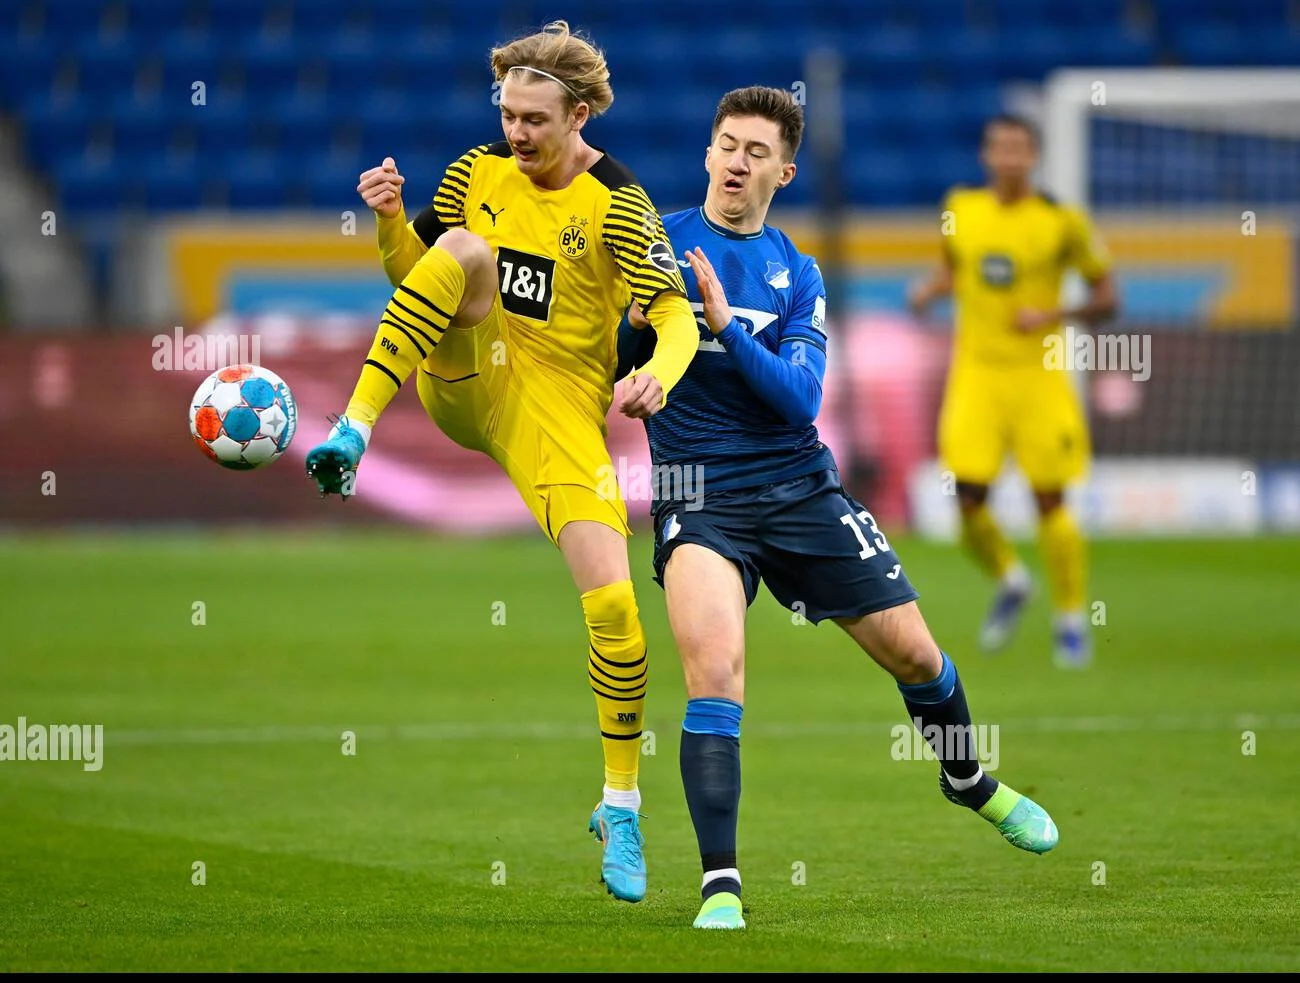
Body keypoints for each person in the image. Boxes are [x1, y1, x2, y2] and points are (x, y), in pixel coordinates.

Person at [618, 87, 1059, 932]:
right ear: (708, 152)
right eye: (726, 145)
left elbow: (801, 397)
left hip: (797, 485)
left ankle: (967, 779)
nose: (737, 162)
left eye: (756, 152)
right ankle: (721, 886)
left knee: (917, 656)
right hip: (695, 494)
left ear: (783, 171)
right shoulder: (655, 244)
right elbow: (615, 353)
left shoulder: (795, 271)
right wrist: (637, 343)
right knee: (716, 676)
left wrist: (726, 327)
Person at [306, 20, 700, 904]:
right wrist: (385, 228)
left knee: (618, 612)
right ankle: (355, 431)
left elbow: (673, 317)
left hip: (556, 408)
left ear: (582, 113)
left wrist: (661, 379)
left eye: (534, 120)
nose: (516, 134)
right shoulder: (476, 170)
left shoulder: (619, 205)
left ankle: (621, 804)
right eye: (508, 114)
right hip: (464, 372)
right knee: (464, 248)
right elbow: (424, 275)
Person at [908, 115, 1118, 668]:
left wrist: (1054, 312)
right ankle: (1012, 577)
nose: (1009, 157)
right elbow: (957, 268)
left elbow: (1107, 296)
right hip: (975, 375)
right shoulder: (961, 209)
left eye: (1020, 148)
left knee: (1051, 499)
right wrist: (930, 290)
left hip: (1040, 377)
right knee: (967, 501)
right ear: (986, 155)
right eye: (1000, 147)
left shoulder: (1061, 222)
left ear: (1035, 156)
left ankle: (1071, 619)